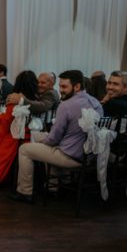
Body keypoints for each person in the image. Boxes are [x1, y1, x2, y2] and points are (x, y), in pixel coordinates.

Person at [11, 70, 103, 203]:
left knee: (24, 149)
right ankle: (50, 187)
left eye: (64, 87)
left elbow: (53, 140)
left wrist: (45, 140)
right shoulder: (96, 103)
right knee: (36, 136)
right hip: (88, 154)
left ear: (77, 87)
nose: (61, 90)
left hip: (70, 155)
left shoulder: (65, 106)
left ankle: (25, 191)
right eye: (60, 86)